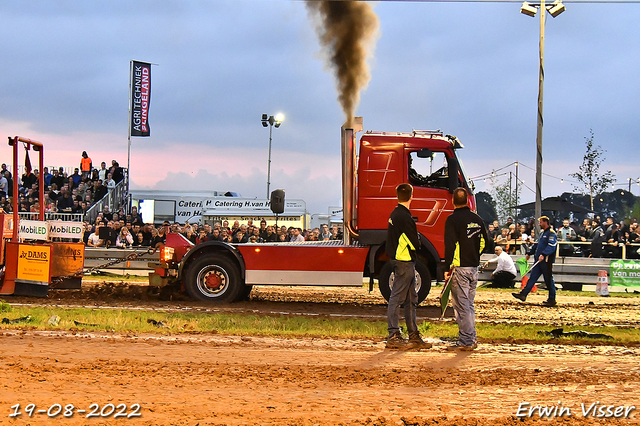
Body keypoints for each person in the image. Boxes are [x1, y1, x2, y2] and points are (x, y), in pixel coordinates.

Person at [384, 183, 430, 350]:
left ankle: (413, 335)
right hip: (404, 261)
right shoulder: (405, 216)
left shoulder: (395, 214)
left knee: (411, 299)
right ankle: (393, 334)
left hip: (400, 260)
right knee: (397, 298)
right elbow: (415, 242)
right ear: (412, 196)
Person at [444, 187, 488, 351]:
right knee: (469, 305)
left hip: (460, 268)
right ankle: (471, 338)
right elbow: (485, 241)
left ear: (453, 201)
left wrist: (447, 266)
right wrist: (475, 256)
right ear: (467, 201)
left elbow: (451, 245)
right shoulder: (476, 219)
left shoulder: (452, 220)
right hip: (473, 268)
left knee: (461, 306)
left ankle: (466, 341)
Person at [512, 216, 558, 307]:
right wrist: (530, 253)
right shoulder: (542, 233)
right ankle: (523, 294)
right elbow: (537, 245)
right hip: (539, 260)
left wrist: (544, 254)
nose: (539, 224)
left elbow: (552, 246)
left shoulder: (551, 233)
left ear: (545, 222)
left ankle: (552, 298)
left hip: (546, 261)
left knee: (548, 280)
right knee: (532, 277)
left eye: (540, 222)